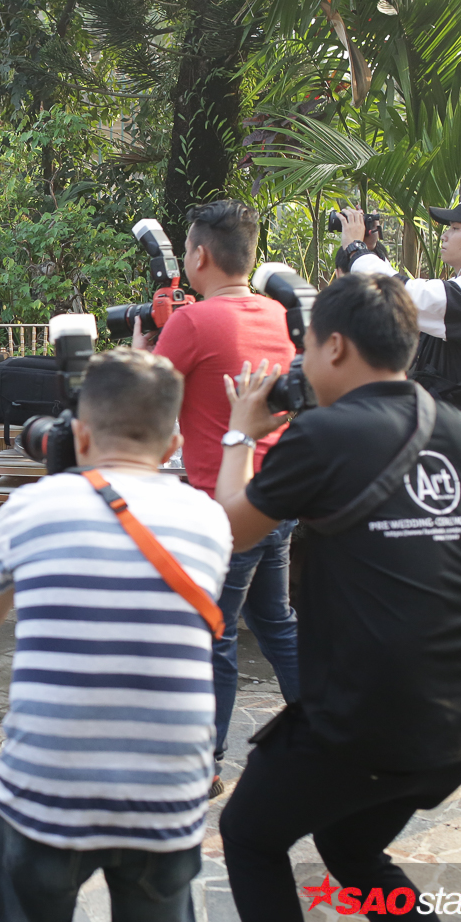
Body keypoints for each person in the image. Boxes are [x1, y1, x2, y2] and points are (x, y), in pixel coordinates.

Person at [215, 273, 461, 922]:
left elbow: (230, 530)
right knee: (352, 849)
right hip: (454, 723)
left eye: (306, 347)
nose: (302, 362)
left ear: (335, 346)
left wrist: (240, 435)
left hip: (365, 723)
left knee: (247, 836)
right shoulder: (456, 428)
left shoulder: (326, 433)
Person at [0, 348, 231, 922]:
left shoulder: (29, 509)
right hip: (165, 799)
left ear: (78, 435)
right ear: (173, 444)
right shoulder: (209, 519)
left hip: (45, 794)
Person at [131, 199, 299, 799]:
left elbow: (143, 401)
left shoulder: (195, 323)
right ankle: (330, 733)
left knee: (213, 636)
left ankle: (205, 763)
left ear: (199, 255)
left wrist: (141, 350)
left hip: (223, 509)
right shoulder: (281, 314)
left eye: (186, 249)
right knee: (276, 622)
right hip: (278, 498)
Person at [342, 193, 461, 424]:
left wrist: (356, 249)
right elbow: (407, 291)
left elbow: (405, 296)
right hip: (444, 424)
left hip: (457, 432)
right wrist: (372, 250)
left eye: (455, 228)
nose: (445, 235)